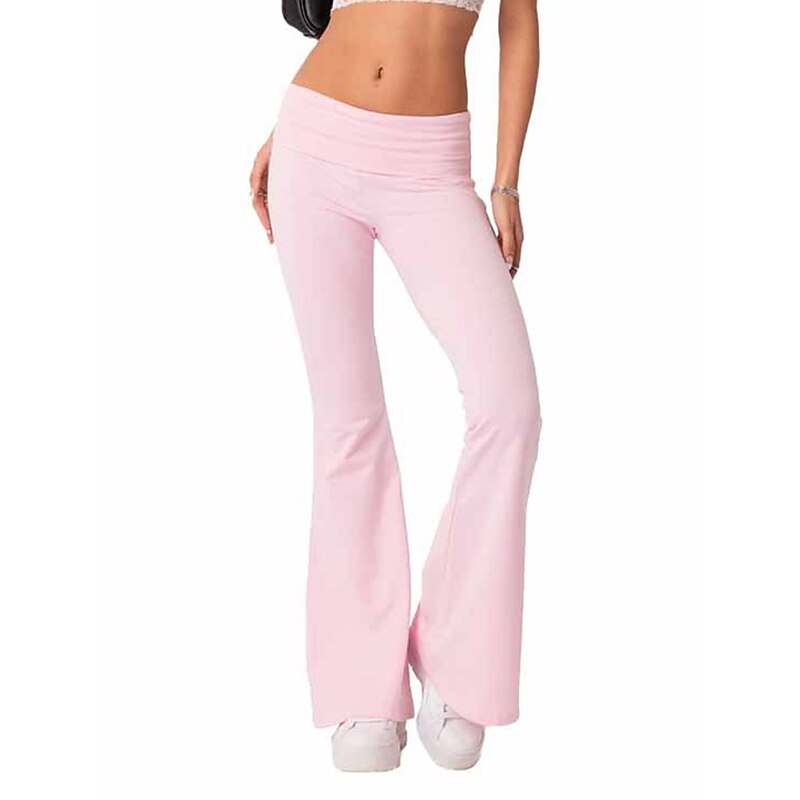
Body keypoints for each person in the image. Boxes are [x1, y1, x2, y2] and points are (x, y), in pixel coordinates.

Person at [250, 0, 541, 772]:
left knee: (509, 406)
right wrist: (288, 132)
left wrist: (506, 184)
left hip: (431, 164)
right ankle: (361, 686)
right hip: (317, 140)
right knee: (347, 420)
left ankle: (456, 661)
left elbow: (519, 22)